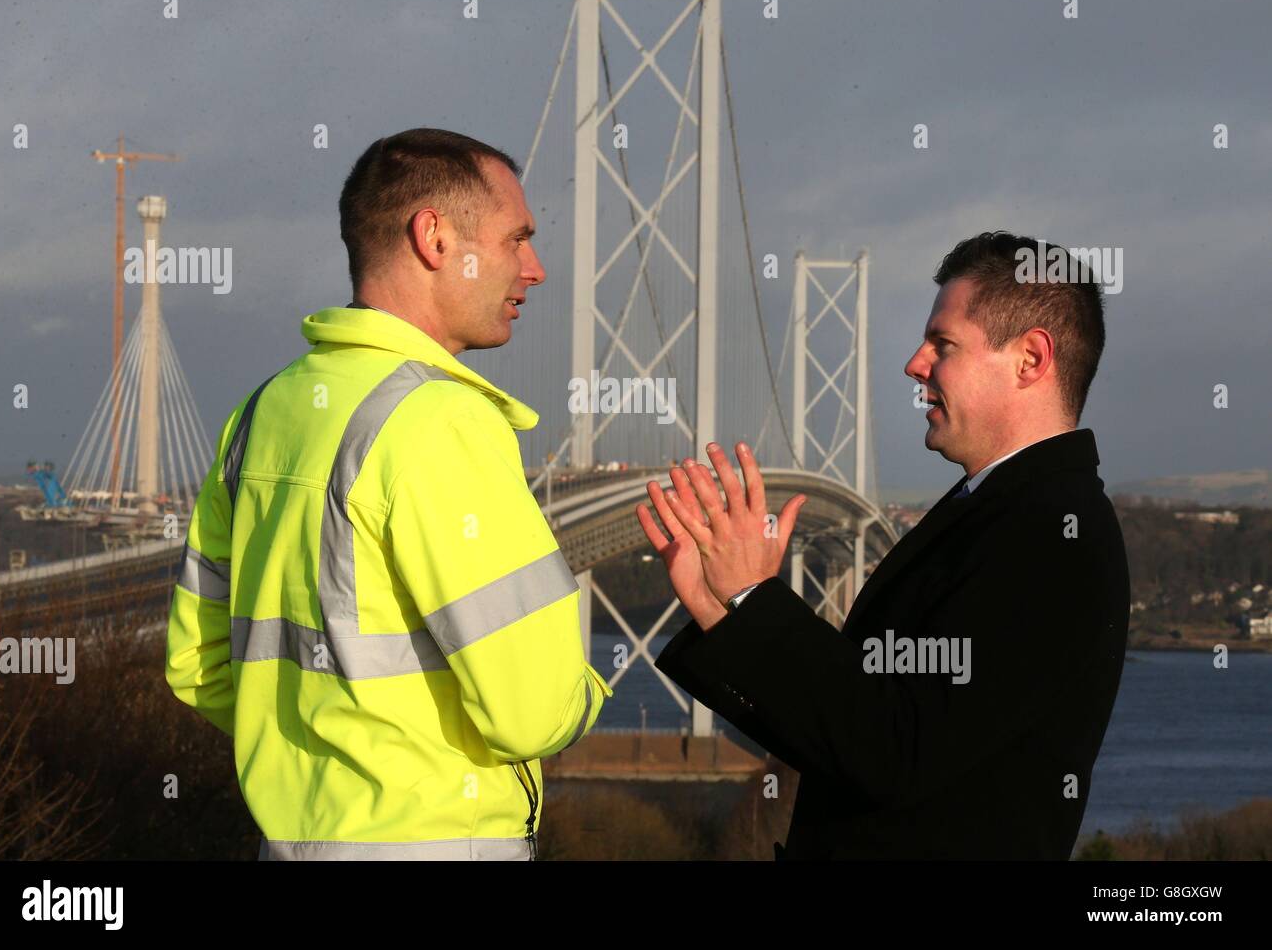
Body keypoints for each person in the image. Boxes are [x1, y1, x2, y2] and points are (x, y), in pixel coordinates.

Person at [166, 128, 611, 861]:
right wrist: (588, 689)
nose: (534, 268)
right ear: (435, 237)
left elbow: (200, 667)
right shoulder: (440, 422)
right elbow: (533, 711)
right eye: (516, 239)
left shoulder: (258, 417)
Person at [638, 231, 1129, 859]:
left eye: (942, 344)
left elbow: (893, 751)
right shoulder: (995, 510)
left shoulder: (1053, 535)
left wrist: (753, 597)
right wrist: (719, 609)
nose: (915, 364)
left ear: (1030, 359)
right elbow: (840, 734)